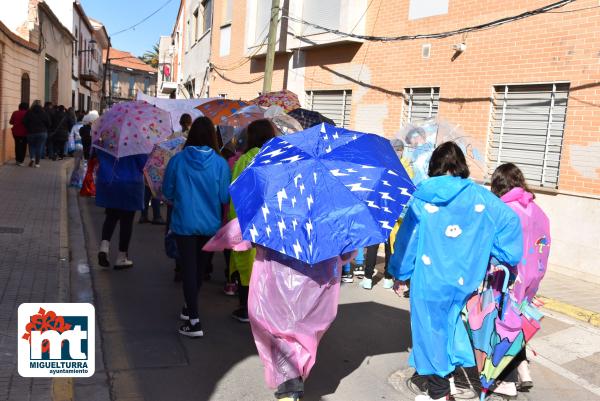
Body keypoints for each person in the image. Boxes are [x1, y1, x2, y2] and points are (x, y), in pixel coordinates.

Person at [388, 142, 523, 401]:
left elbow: (409, 240)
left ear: (434, 166)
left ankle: (438, 393)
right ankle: (447, 384)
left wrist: (399, 273)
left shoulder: (421, 196)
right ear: (460, 165)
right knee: (449, 325)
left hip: (429, 279)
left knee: (429, 330)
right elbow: (510, 222)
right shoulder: (481, 196)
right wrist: (498, 255)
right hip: (464, 279)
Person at [249, 248, 355, 401]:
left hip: (278, 274)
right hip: (316, 281)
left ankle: (290, 386)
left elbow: (251, 239)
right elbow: (346, 253)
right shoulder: (334, 225)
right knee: (302, 331)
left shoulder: (273, 224)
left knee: (281, 330)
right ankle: (293, 382)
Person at [163, 117, 230, 337]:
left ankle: (193, 320)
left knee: (188, 270)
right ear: (213, 136)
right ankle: (189, 308)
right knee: (199, 270)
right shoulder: (220, 163)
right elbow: (223, 196)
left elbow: (168, 193)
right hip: (210, 225)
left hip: (184, 223)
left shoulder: (177, 161)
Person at [490, 163, 551, 397]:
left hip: (510, 275)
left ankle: (507, 380)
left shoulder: (505, 210)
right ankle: (524, 370)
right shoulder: (536, 209)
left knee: (505, 324)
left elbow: (498, 245)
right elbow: (544, 243)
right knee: (518, 321)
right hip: (532, 275)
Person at [228, 119, 276, 322]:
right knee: (268, 266)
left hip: (248, 221)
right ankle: (266, 309)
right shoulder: (278, 158)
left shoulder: (245, 159)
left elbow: (236, 193)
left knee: (247, 265)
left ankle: (246, 308)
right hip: (272, 223)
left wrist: (233, 223)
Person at [361, 139, 414, 290]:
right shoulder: (406, 168)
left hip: (378, 209)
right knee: (390, 244)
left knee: (375, 244)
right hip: (393, 210)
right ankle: (387, 278)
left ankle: (368, 278)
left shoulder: (382, 163)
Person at [96, 148, 148, 270]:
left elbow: (99, 157)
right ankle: (121, 257)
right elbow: (144, 165)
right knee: (127, 221)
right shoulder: (136, 145)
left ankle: (104, 247)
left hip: (112, 182)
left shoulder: (109, 140)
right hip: (131, 184)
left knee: (111, 216)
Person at [23, 101, 51, 168]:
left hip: (31, 132)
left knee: (31, 146)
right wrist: (45, 128)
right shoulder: (44, 113)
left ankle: (32, 157)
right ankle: (37, 163)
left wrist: (28, 128)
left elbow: (24, 122)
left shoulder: (29, 112)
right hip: (42, 132)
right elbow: (49, 123)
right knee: (39, 147)